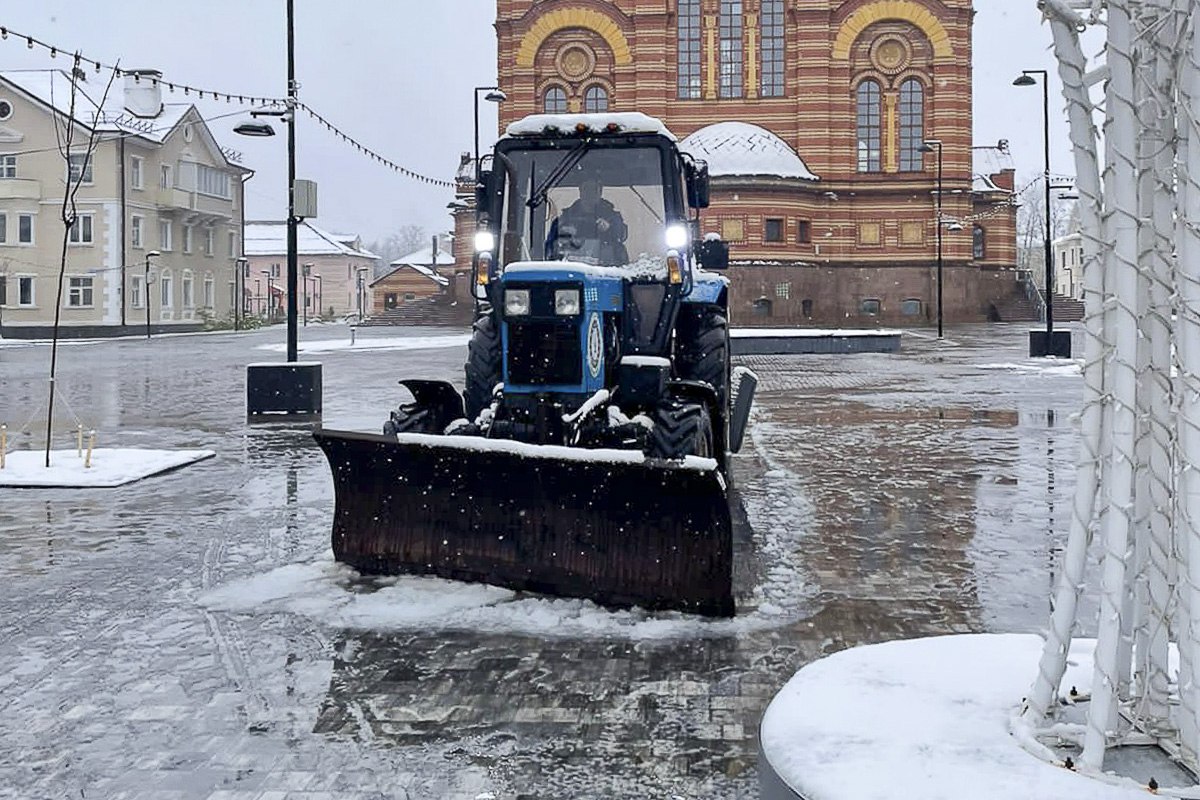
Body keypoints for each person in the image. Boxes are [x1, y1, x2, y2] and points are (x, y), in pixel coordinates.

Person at [549, 176, 628, 263]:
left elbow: (622, 234)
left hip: (608, 270)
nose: (590, 193)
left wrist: (609, 227)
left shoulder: (612, 216)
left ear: (600, 192)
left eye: (594, 189)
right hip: (571, 269)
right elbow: (553, 242)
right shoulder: (567, 217)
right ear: (580, 191)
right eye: (587, 189)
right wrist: (565, 232)